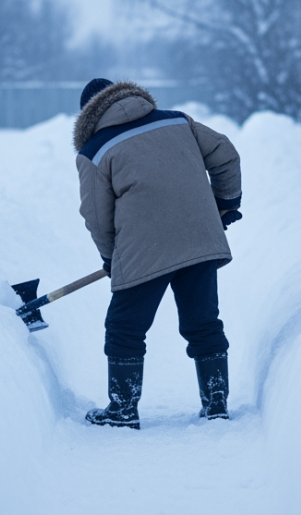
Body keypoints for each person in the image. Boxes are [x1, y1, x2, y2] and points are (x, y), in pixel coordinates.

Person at [73, 78, 243, 430]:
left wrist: (111, 256)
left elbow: (97, 218)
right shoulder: (178, 121)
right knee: (203, 322)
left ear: (88, 115)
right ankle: (216, 404)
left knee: (124, 329)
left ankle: (122, 410)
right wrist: (225, 204)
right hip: (200, 235)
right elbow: (226, 153)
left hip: (142, 248)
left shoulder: (94, 151)